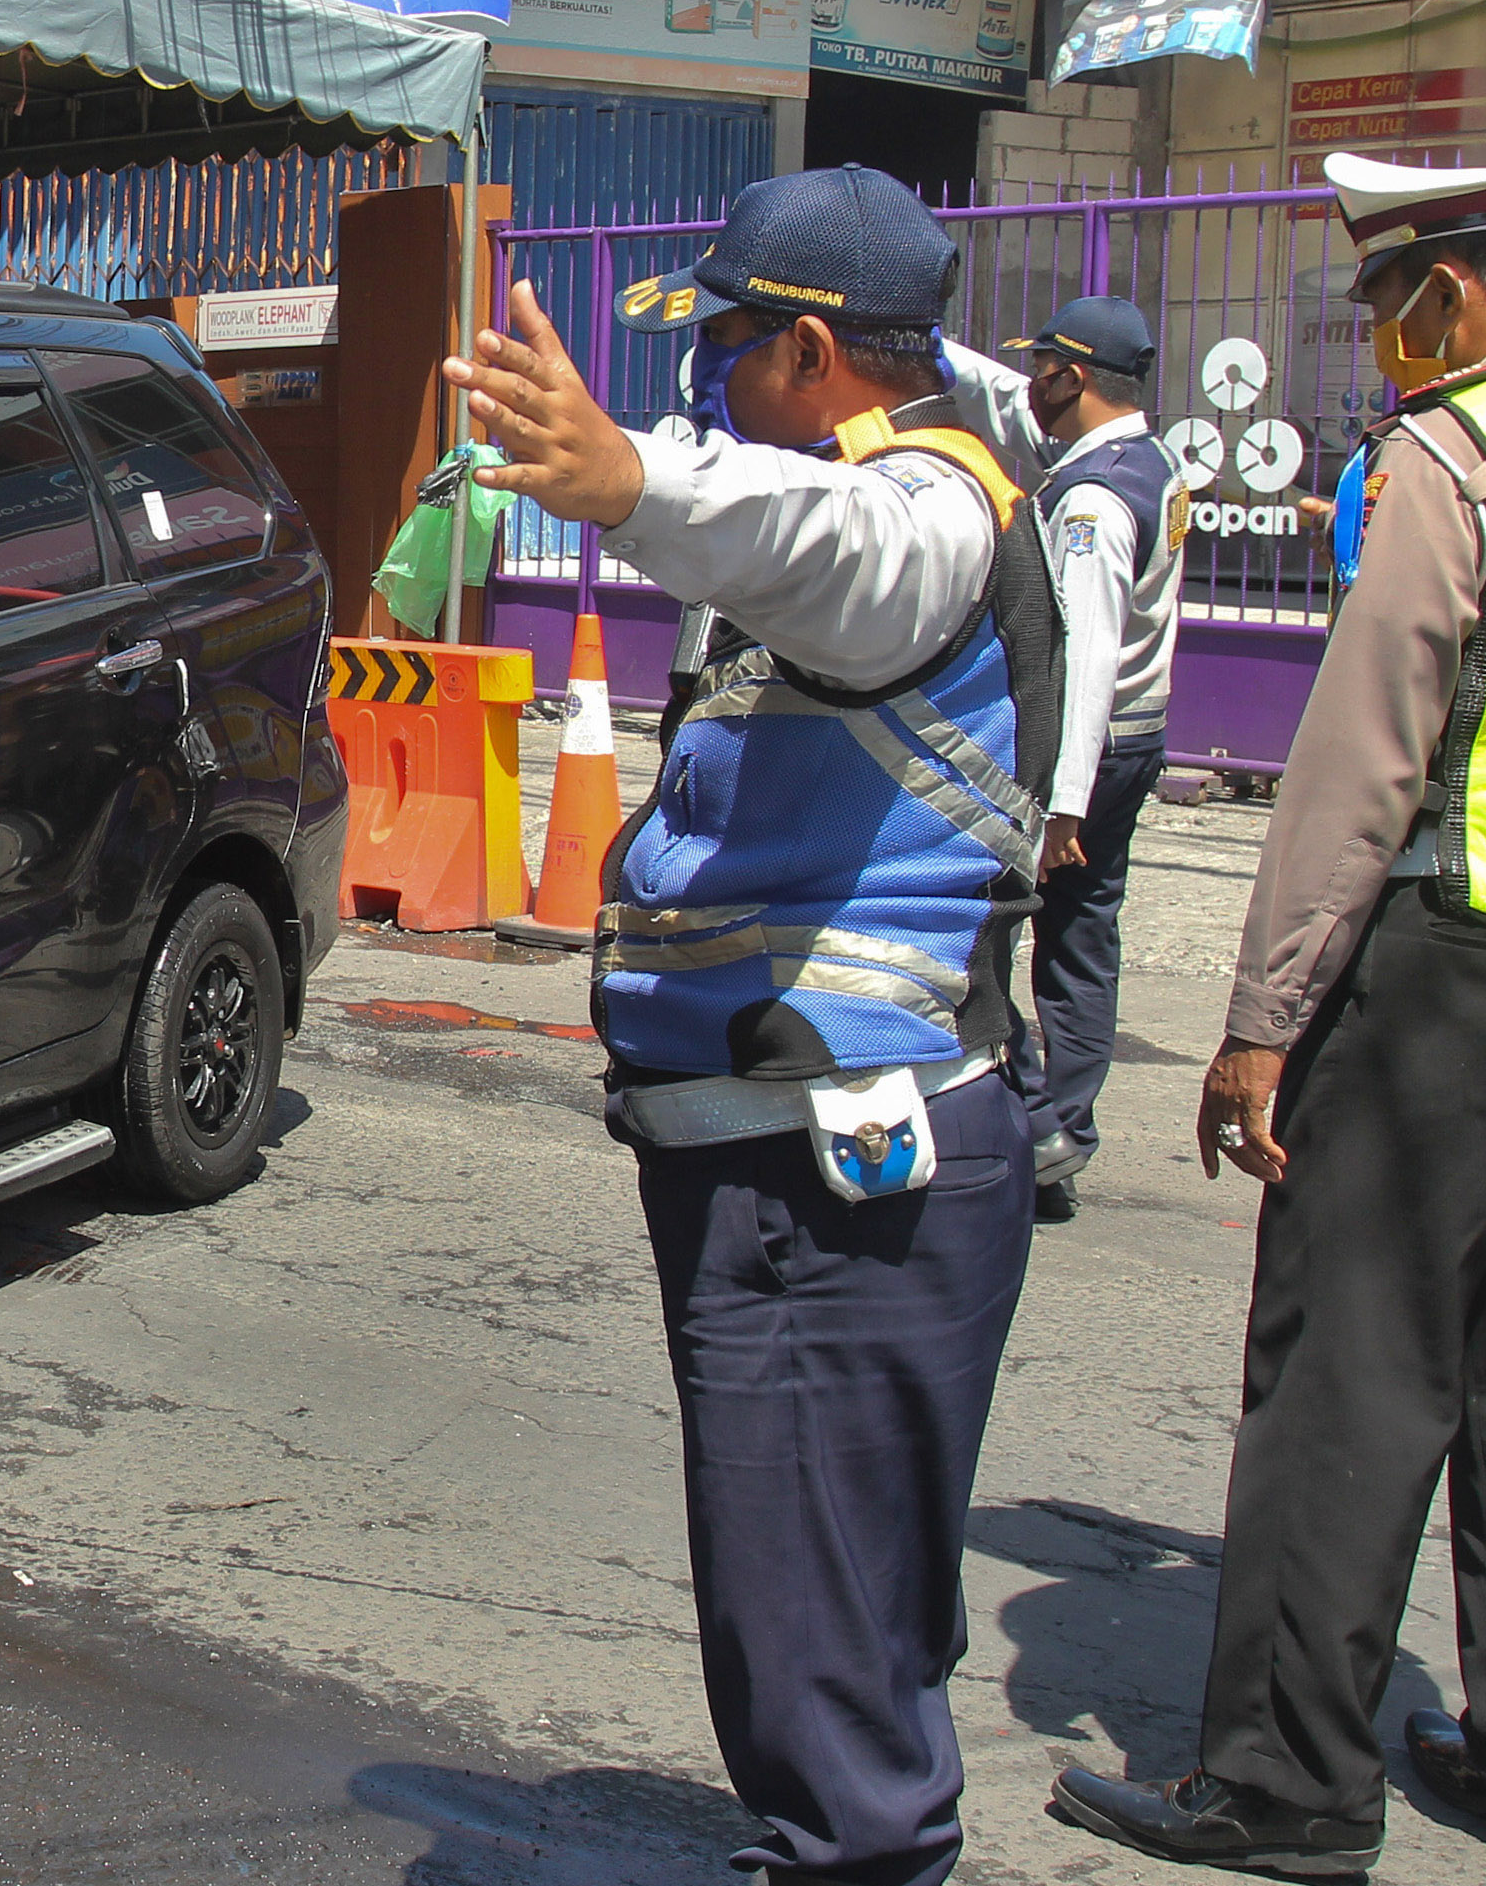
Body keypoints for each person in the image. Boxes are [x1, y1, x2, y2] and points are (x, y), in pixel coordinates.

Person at [1052, 154, 1486, 1876]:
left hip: (1454, 964)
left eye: (1380, 304)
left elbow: (1362, 765)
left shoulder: (1456, 452)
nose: (1373, 339)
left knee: (1348, 1369)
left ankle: (1288, 1787)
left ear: (1448, 293)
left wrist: (1262, 1017)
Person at [451, 165, 1059, 1886]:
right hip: (794, 1165)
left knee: (822, 1617)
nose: (702, 379)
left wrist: (635, 478)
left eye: (723, 347)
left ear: (811, 349)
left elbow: (838, 558)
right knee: (832, 1595)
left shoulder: (923, 508)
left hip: (836, 1177)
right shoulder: (895, 485)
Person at [997, 297, 1184, 1222]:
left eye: (1040, 370)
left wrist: (1060, 803)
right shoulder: (1150, 461)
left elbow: (1086, 652)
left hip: (1084, 752)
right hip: (1136, 740)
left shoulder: (1093, 503)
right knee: (1082, 937)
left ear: (1071, 379)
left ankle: (1038, 1122)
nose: (1028, 384)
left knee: (988, 923)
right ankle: (1062, 1124)